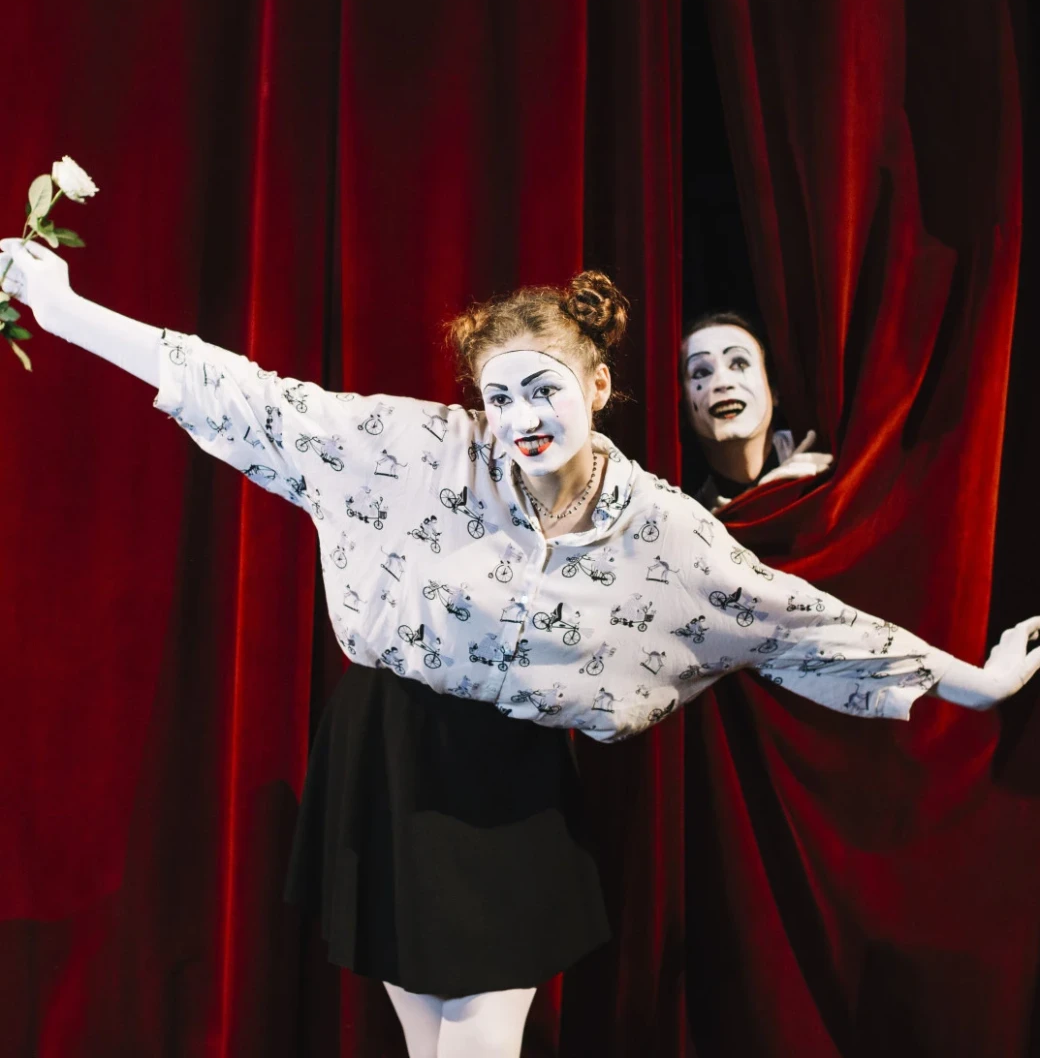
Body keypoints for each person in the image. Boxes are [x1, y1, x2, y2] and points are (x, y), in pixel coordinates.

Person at [3, 238, 1040, 1058]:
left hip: (510, 783)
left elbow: (794, 619)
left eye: (541, 389)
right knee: (431, 1046)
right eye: (498, 396)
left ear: (597, 386)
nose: (519, 417)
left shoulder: (664, 530)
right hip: (387, 753)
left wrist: (975, 684)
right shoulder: (426, 450)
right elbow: (253, 399)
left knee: (480, 1045)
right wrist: (65, 310)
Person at [681, 311, 833, 511]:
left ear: (774, 391)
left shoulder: (826, 458)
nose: (722, 383)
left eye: (739, 364)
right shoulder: (686, 512)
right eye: (701, 372)